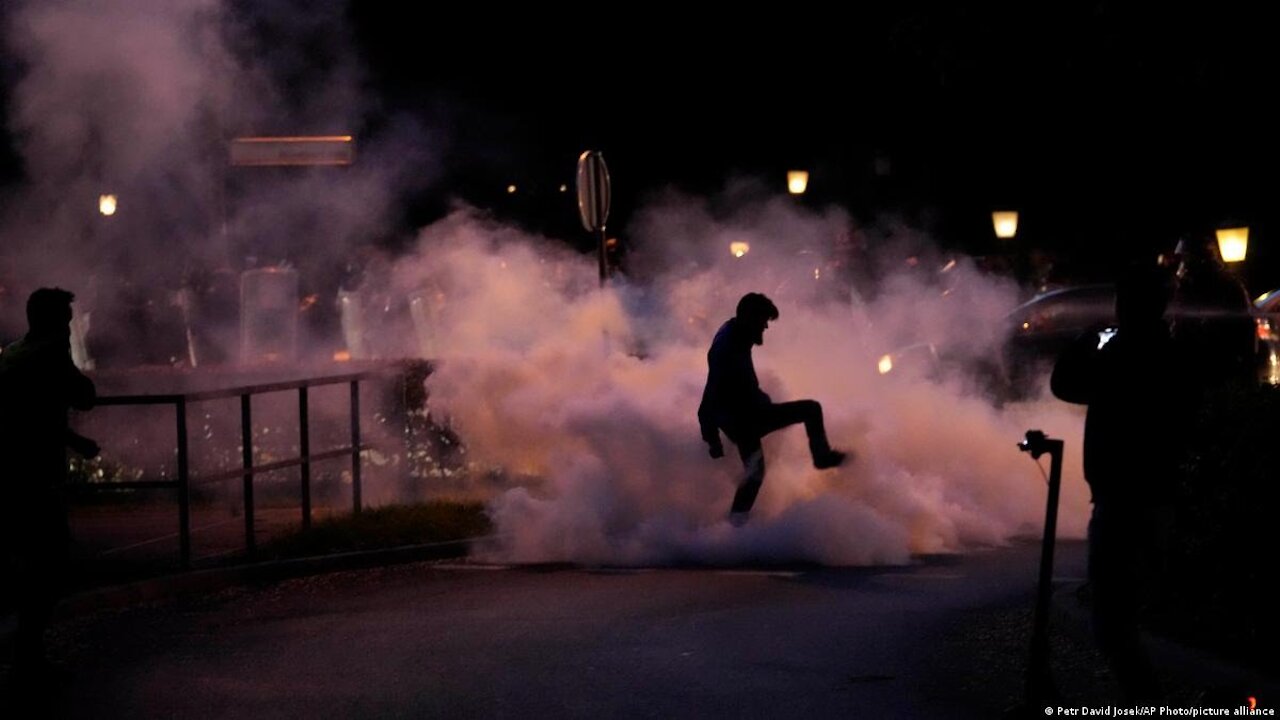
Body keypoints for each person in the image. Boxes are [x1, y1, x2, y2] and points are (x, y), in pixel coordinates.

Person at [1050, 264, 1187, 704]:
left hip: (1124, 500)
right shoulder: (1168, 351)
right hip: (1152, 496)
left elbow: (1067, 385)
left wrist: (1084, 342)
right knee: (1131, 609)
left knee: (1113, 619)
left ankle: (1147, 704)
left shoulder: (1128, 352)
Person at [0, 287, 99, 682]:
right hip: (34, 477)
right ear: (52, 320)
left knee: (28, 561)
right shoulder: (48, 355)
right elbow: (84, 396)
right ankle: (27, 654)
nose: (70, 324)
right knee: (50, 564)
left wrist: (74, 442)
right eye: (65, 316)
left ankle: (26, 652)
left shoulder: (12, 354)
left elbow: (28, 417)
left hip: (11, 472)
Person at [698, 292, 847, 526]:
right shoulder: (726, 348)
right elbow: (710, 396)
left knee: (755, 474)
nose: (765, 327)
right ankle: (823, 458)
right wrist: (712, 438)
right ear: (749, 319)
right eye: (762, 321)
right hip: (744, 418)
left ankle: (735, 525)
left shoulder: (735, 335)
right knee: (811, 409)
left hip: (744, 414)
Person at [1169, 236, 1256, 387]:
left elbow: (1245, 329)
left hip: (1219, 367)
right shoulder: (1186, 287)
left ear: (1199, 258)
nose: (1181, 265)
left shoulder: (1226, 286)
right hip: (1193, 369)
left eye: (1185, 259)